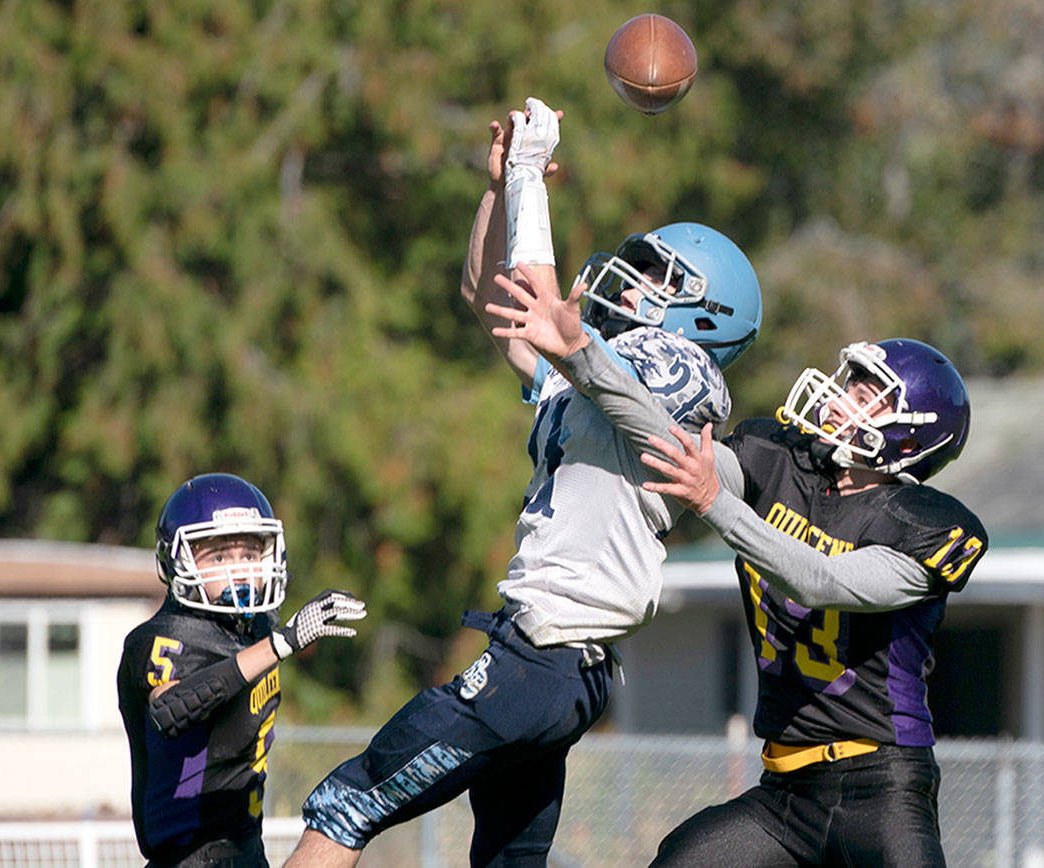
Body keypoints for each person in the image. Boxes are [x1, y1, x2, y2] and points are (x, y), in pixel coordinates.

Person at [285, 97, 762, 867]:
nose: (632, 286)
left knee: (349, 799)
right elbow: (493, 303)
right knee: (508, 860)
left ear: (704, 317)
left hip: (539, 661)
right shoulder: (600, 376)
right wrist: (500, 186)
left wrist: (533, 179)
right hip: (554, 662)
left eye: (657, 278)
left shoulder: (682, 371)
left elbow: (546, 315)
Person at [488, 267, 988, 866]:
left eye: (863, 394)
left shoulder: (924, 525)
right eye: (848, 382)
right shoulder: (780, 462)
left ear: (909, 436)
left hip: (881, 787)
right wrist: (582, 355)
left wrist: (714, 503)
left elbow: (821, 580)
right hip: (784, 789)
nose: (838, 396)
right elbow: (668, 443)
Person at [117, 472, 367, 867]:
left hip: (247, 849)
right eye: (218, 557)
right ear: (178, 559)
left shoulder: (259, 629)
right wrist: (279, 645)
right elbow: (171, 710)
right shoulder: (163, 637)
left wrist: (275, 641)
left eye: (249, 556)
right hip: (189, 858)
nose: (239, 571)